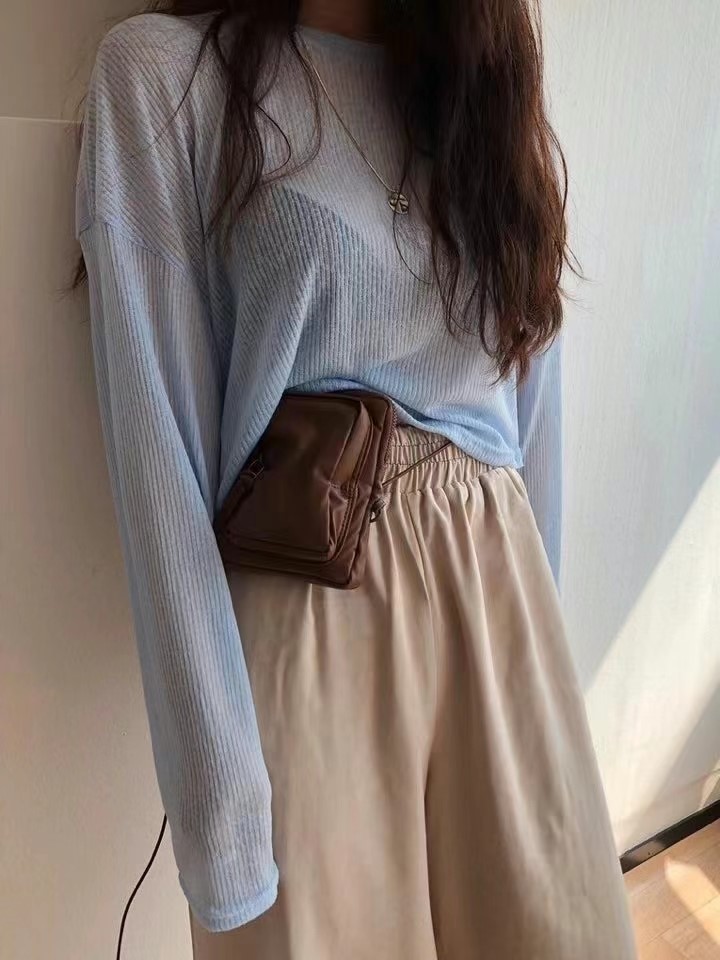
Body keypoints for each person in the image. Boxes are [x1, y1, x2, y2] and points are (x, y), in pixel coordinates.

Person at [75, 1, 637, 957]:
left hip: (501, 616)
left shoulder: (488, 101)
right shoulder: (165, 80)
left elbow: (531, 425)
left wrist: (540, 668)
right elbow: (158, 468)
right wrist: (220, 805)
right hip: (312, 620)